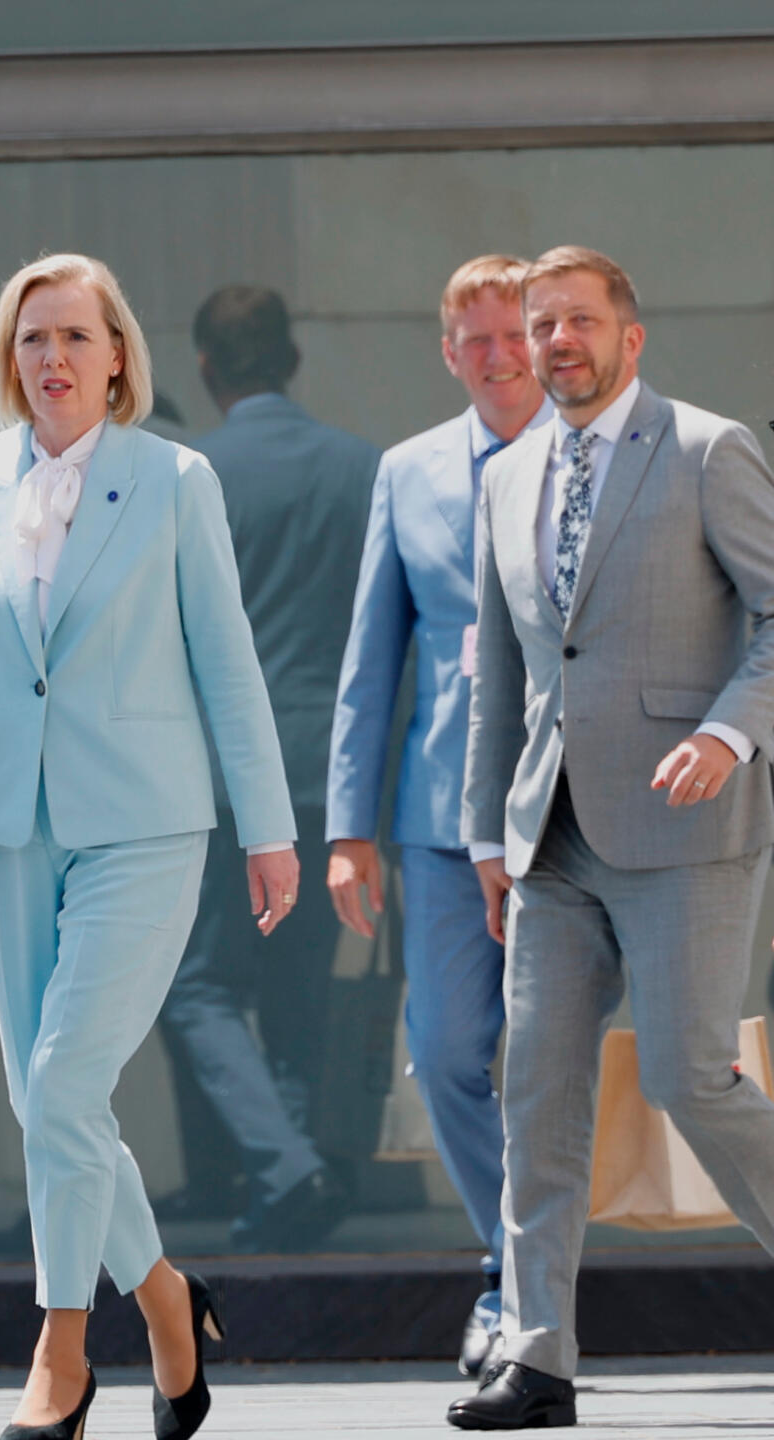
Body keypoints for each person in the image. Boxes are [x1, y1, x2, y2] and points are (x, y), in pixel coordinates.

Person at [0, 255, 297, 1440]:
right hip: (0, 824)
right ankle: (169, 1303)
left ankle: (60, 1352)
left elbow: (228, 662)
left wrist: (266, 828)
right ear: (6, 359)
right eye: (31, 340)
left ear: (119, 354)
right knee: (49, 1104)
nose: (53, 359)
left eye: (75, 336)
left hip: (143, 822)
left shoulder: (176, 478)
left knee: (66, 1083)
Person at [450, 246, 774, 1431]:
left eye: (578, 321)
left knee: (694, 1077)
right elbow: (496, 676)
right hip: (552, 837)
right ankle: (536, 1356)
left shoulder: (705, 449)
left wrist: (728, 736)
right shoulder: (504, 475)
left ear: (628, 338)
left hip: (689, 824)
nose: (555, 342)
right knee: (534, 1089)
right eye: (539, 325)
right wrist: (487, 833)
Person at [327, 256, 548, 1377]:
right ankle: (511, 1271)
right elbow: (371, 660)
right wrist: (345, 827)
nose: (499, 357)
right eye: (476, 339)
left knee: (558, 1060)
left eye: (515, 333)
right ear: (446, 350)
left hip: (576, 812)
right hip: (438, 819)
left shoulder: (596, 450)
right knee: (449, 1048)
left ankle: (522, 1293)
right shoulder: (406, 472)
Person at [154, 285, 382, 1257]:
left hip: (220, 778)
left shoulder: (187, 472)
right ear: (289, 359)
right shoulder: (363, 470)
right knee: (293, 995)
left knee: (196, 985)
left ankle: (283, 1169)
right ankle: (288, 1183)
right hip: (327, 774)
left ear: (207, 368)